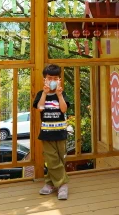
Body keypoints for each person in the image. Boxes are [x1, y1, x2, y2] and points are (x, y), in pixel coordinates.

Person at [32, 63, 71, 200]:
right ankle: (63, 185)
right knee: (51, 159)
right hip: (47, 133)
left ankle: (50, 183)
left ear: (59, 79)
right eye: (50, 78)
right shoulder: (40, 94)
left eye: (56, 78)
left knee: (60, 158)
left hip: (60, 132)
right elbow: (40, 108)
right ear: (45, 79)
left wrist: (59, 95)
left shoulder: (62, 94)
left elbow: (64, 109)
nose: (53, 80)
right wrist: (44, 93)